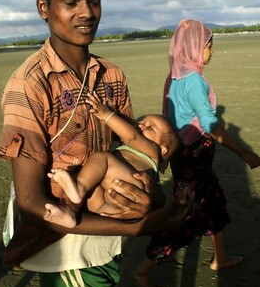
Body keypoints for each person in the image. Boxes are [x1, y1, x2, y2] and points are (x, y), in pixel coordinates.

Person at [0, 0, 192, 287]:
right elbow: (33, 203)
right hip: (66, 250)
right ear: (43, 7)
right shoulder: (29, 83)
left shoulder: (112, 76)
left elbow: (133, 156)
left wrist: (150, 200)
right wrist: (142, 227)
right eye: (72, 1)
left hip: (105, 241)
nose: (87, 12)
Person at [132, 19, 260, 287]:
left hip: (186, 157)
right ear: (195, 48)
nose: (212, 51)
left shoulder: (173, 77)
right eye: (209, 45)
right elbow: (210, 124)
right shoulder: (193, 81)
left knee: (214, 205)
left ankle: (220, 257)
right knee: (183, 218)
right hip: (194, 160)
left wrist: (167, 154)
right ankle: (143, 271)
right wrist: (243, 151)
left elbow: (168, 118)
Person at [46, 91, 180, 227]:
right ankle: (69, 212)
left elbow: (132, 136)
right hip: (112, 201)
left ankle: (79, 189)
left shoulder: (153, 151)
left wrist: (107, 115)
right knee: (85, 180)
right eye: (141, 122)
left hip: (131, 183)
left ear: (163, 149)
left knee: (103, 158)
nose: (140, 125)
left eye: (150, 127)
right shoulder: (134, 150)